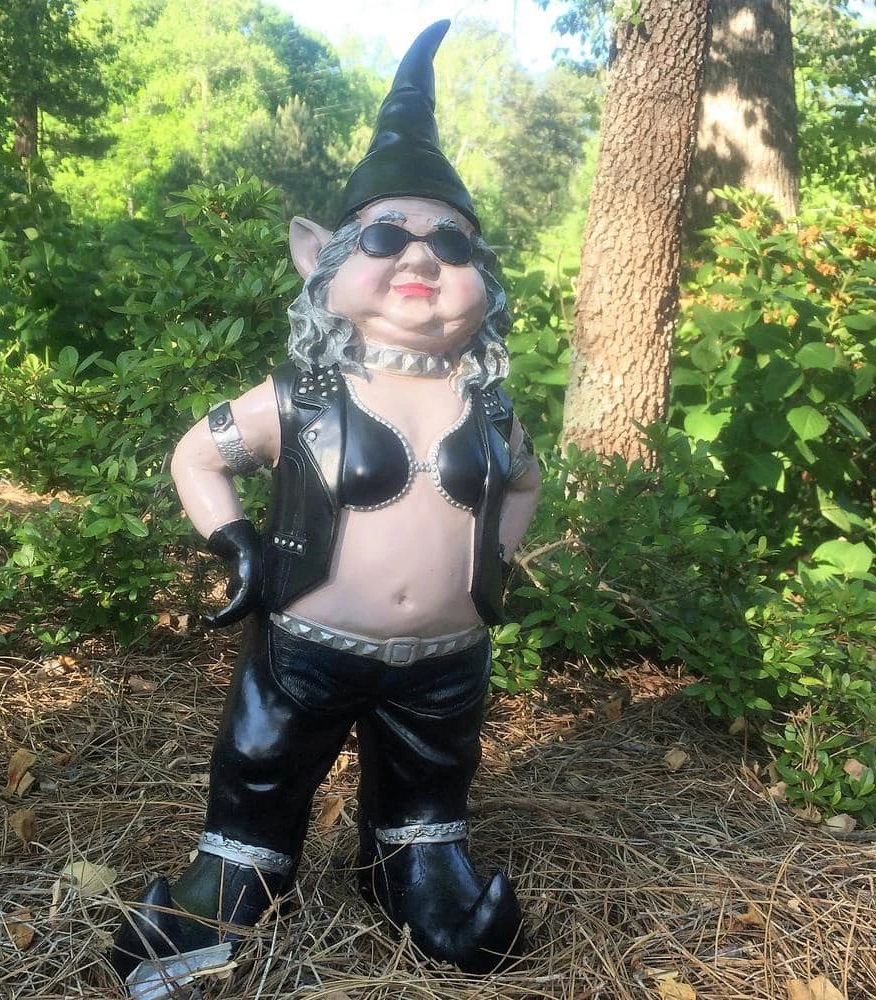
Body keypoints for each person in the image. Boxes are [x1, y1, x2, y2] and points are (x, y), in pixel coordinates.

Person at [112, 21, 541, 997]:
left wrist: (494, 564)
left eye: (450, 243)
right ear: (321, 258)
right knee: (262, 766)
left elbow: (522, 483)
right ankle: (237, 873)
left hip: (444, 659)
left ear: (485, 275)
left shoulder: (490, 407)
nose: (419, 258)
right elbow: (197, 455)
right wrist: (236, 544)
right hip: (304, 644)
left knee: (431, 777)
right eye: (385, 237)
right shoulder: (301, 394)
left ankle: (415, 867)